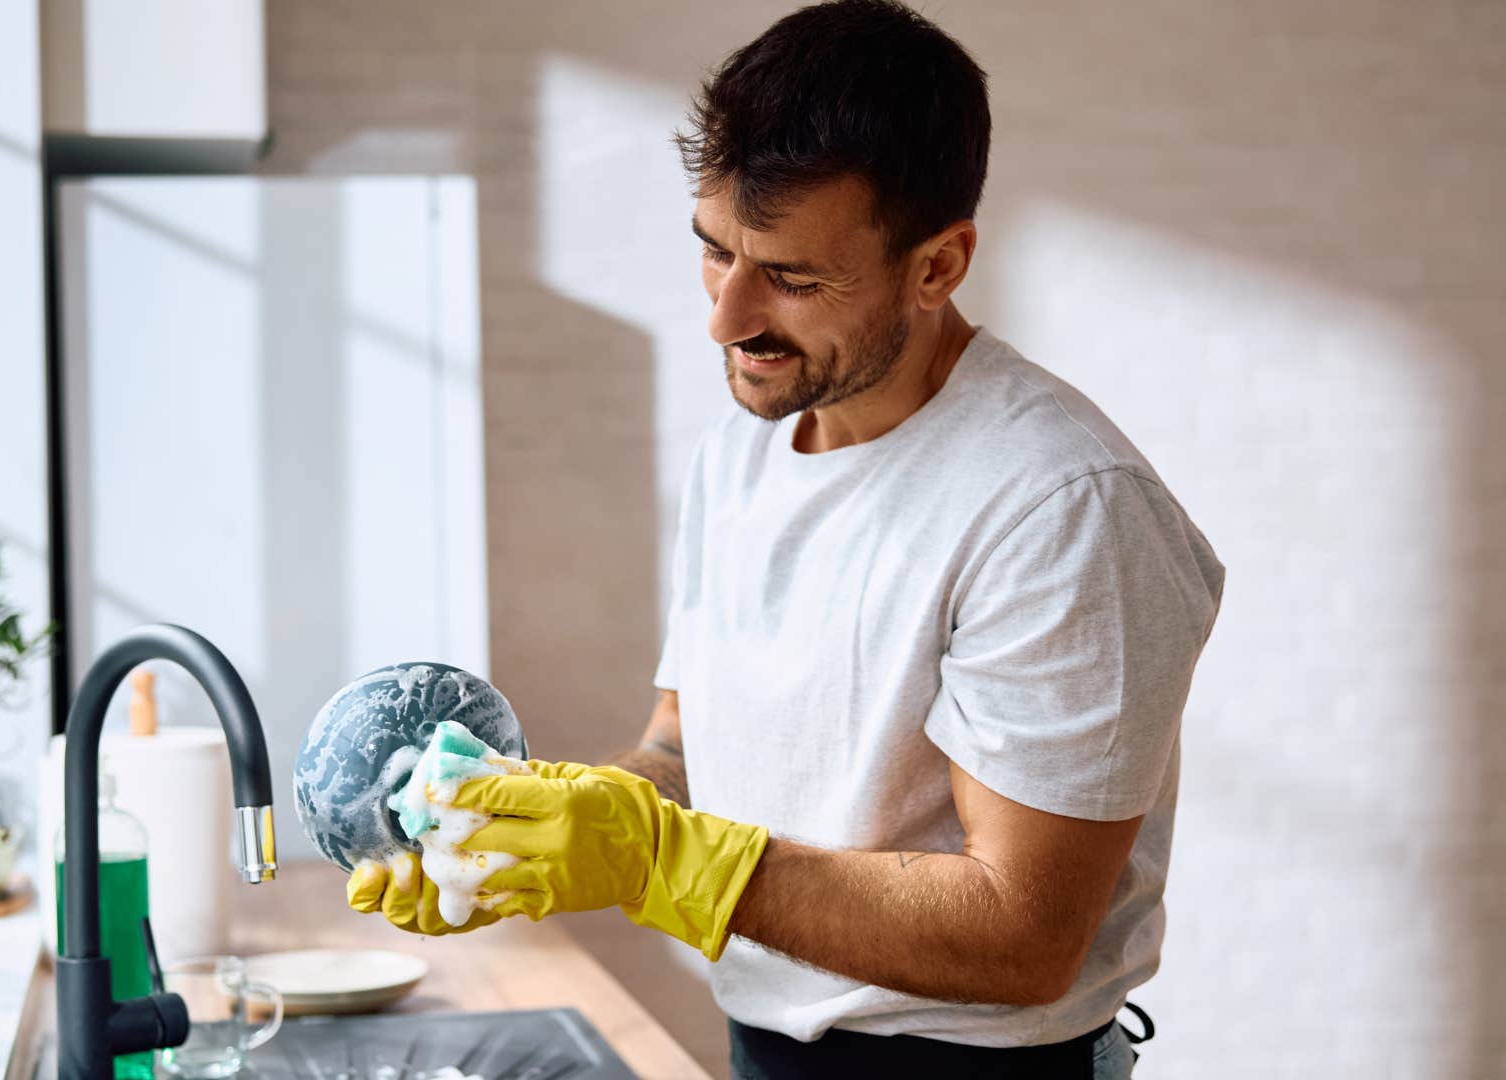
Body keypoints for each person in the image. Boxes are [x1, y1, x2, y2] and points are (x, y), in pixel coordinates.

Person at [347, 2, 1224, 1076]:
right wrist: (530, 833)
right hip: (766, 1048)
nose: (726, 317)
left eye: (793, 279)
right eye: (715, 254)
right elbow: (681, 748)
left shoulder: (1059, 505)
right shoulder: (745, 453)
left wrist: (663, 862)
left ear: (938, 265)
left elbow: (1023, 935)